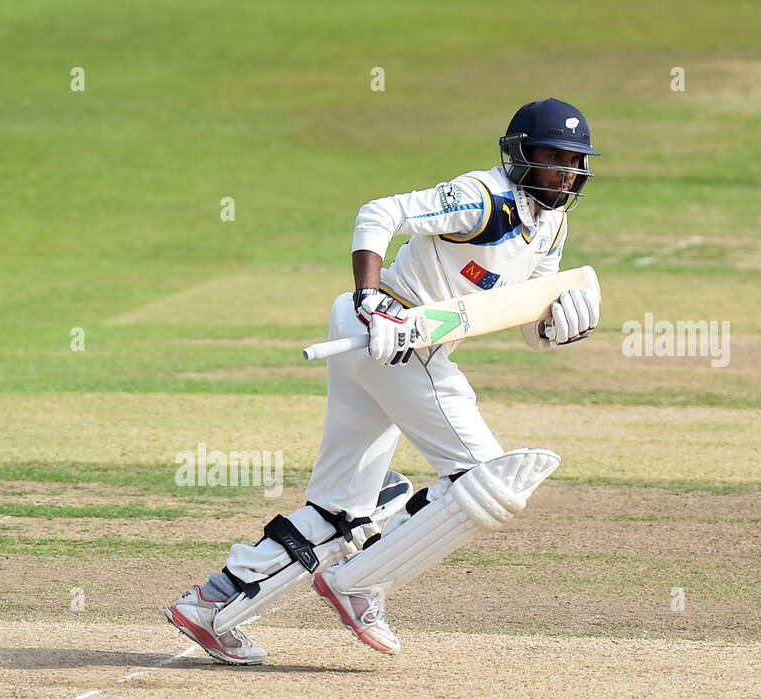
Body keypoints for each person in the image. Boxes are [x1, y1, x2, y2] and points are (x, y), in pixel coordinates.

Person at [165, 98, 602, 665]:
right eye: (551, 158)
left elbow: (525, 316)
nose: (565, 173)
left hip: (399, 343)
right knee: (488, 481)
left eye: (574, 161)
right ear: (519, 155)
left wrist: (558, 330)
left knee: (340, 508)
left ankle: (211, 605)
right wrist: (370, 299)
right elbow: (379, 212)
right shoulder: (481, 197)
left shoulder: (552, 223)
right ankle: (359, 583)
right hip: (386, 330)